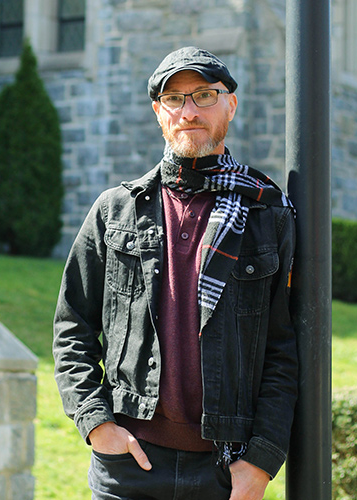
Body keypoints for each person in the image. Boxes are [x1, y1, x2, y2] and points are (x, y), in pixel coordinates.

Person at [53, 46, 298, 500]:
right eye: (174, 99)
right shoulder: (115, 210)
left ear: (230, 104)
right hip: (127, 469)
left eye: (204, 95)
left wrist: (260, 462)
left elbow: (283, 351)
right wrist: (97, 423)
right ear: (158, 112)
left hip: (223, 472)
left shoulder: (267, 216)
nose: (189, 111)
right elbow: (73, 327)